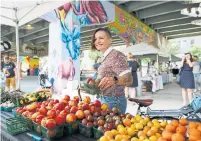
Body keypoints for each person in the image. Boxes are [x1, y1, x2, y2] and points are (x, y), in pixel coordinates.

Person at [91, 28, 133, 114]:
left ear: (110, 40)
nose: (97, 41)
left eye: (101, 38)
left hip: (113, 102)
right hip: (104, 99)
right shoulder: (105, 57)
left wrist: (114, 80)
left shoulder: (116, 55)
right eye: (95, 39)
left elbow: (129, 79)